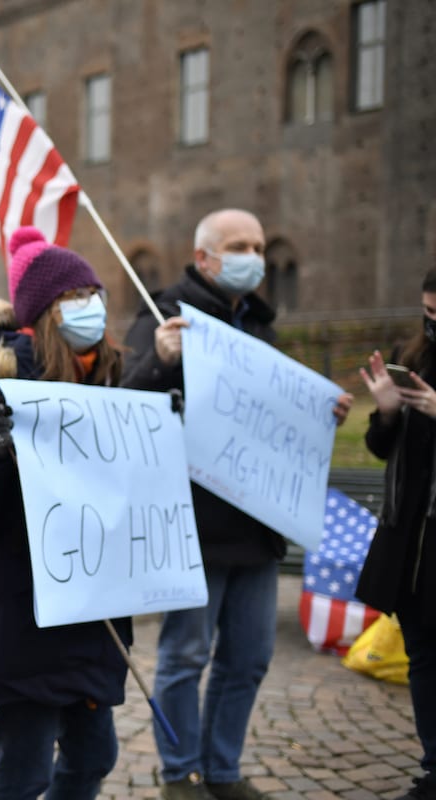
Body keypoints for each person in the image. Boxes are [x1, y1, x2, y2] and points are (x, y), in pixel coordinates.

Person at [120, 208, 352, 800]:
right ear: (204, 258)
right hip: (194, 525)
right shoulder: (162, 318)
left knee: (248, 657)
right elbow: (129, 406)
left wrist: (321, 414)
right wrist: (161, 363)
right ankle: (181, 773)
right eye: (240, 245)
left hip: (258, 525)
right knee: (186, 655)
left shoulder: (260, 328)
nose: (255, 255)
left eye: (257, 243)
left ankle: (222, 770)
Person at [0, 226, 132, 799]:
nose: (92, 307)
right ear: (45, 312)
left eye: (95, 294)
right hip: (25, 612)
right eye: (77, 298)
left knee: (93, 757)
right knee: (24, 772)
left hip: (93, 609)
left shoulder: (109, 376)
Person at [355, 268, 436, 800]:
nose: (433, 325)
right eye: (429, 314)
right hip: (412, 540)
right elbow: (384, 449)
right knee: (424, 657)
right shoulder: (419, 353)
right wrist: (386, 412)